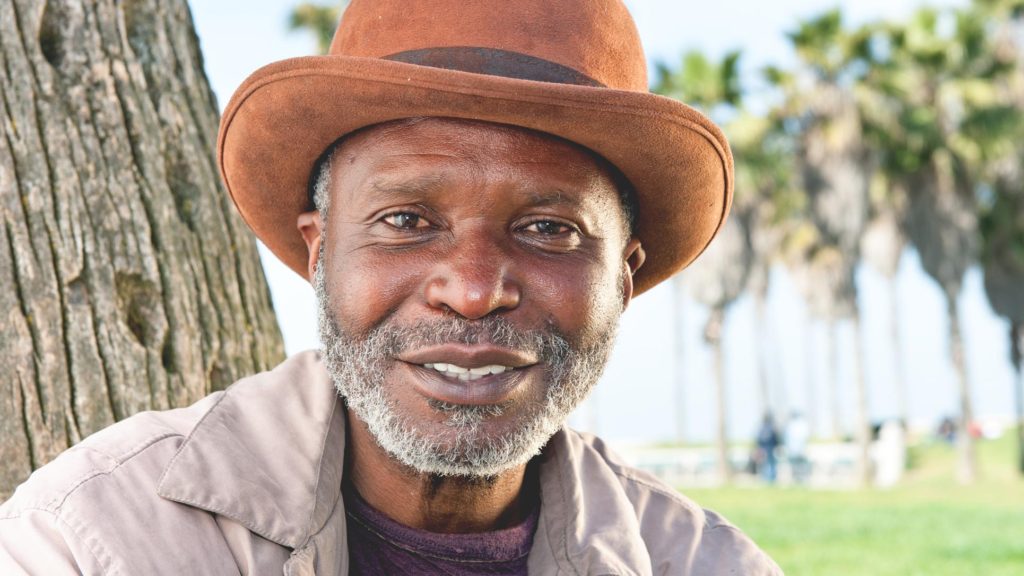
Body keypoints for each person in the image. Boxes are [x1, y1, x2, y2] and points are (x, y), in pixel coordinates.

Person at [0, 1, 781, 574]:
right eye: (406, 220)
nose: (473, 292)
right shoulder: (90, 540)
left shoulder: (704, 565)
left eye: (549, 229)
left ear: (624, 275)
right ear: (320, 251)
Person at [784, 411, 811, 484]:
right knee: (798, 465)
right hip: (798, 449)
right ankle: (799, 479)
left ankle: (798, 479)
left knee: (797, 465)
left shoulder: (791, 425)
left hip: (795, 449)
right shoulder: (801, 424)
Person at [756, 413, 781, 484]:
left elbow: (758, 439)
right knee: (771, 464)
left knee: (765, 464)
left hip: (763, 449)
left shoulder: (761, 427)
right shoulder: (772, 427)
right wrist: (777, 445)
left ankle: (766, 479)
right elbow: (776, 438)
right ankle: (771, 479)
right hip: (770, 448)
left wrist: (759, 448)